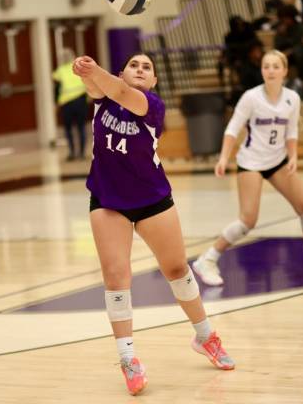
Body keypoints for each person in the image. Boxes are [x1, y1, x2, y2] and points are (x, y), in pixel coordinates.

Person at [72, 53, 235, 395]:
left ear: (154, 81)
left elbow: (117, 91)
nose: (141, 70)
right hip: (107, 199)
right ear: (122, 71)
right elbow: (96, 87)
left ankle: (205, 336)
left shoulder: (153, 106)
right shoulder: (103, 98)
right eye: (134, 65)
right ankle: (129, 358)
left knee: (176, 268)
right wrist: (84, 71)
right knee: (116, 276)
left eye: (147, 67)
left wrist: (97, 73)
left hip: (150, 198)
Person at [192, 50, 303, 287]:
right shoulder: (251, 98)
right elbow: (232, 129)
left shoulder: (292, 98)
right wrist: (223, 158)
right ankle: (207, 259)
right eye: (266, 66)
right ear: (261, 70)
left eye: (275, 66)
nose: (271, 70)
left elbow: (291, 131)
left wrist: (293, 156)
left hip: (278, 160)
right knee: (248, 221)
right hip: (251, 162)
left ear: (284, 71)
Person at [53, 48, 88, 161]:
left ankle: (72, 153)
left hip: (66, 103)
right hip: (81, 101)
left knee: (68, 129)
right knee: (81, 127)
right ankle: (82, 153)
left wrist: (56, 104)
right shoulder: (79, 68)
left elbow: (57, 89)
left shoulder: (59, 71)